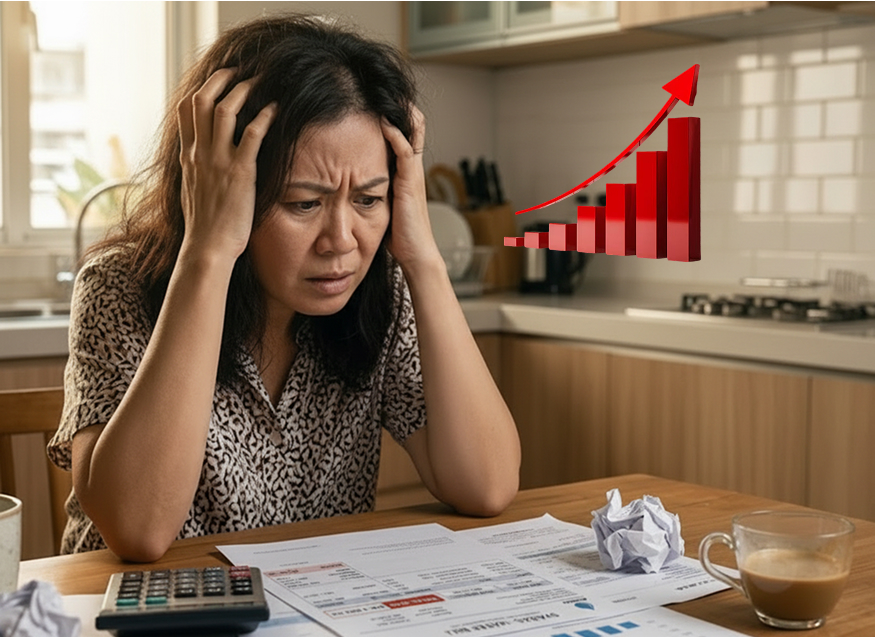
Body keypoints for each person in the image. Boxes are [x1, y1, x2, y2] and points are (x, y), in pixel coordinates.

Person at [47, 14, 520, 562]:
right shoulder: (118, 287)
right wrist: (208, 252)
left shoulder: (382, 291)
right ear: (220, 185)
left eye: (368, 199)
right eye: (304, 204)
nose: (341, 241)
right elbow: (138, 529)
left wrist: (424, 260)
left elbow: (486, 486)